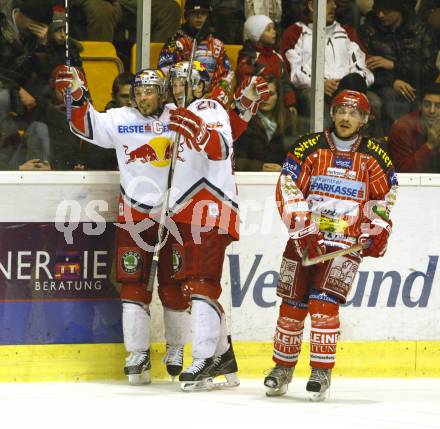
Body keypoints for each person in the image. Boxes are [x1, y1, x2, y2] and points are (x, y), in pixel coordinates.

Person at [263, 90, 398, 401]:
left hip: (345, 244)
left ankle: (321, 371)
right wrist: (301, 225)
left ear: (365, 119)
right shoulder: (309, 146)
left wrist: (377, 228)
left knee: (324, 306)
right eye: (341, 111)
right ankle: (282, 369)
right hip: (304, 241)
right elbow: (287, 184)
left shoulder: (376, 155)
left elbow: (384, 196)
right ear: (333, 113)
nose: (346, 117)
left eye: (354, 113)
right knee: (291, 307)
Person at [53, 65, 177, 384]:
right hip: (134, 216)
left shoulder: (180, 116)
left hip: (176, 215)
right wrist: (78, 94)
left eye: (148, 91)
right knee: (134, 285)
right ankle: (137, 352)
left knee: (175, 285)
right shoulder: (122, 119)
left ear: (163, 92)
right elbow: (85, 125)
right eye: (137, 92)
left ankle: (176, 348)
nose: (141, 97)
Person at [161, 60, 240, 392]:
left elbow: (220, 147)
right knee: (189, 286)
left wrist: (196, 127)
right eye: (175, 80)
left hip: (210, 204)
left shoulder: (208, 107)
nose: (179, 85)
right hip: (184, 210)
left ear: (200, 85)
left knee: (202, 283)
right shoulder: (173, 112)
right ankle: (223, 357)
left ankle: (205, 355)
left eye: (186, 80)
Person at [280, 0, 374, 133]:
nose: (335, 6)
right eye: (328, 2)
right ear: (312, 5)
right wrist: (319, 84)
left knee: (374, 102)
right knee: (312, 100)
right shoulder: (294, 33)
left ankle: (366, 150)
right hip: (312, 88)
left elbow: (363, 67)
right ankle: (322, 148)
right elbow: (293, 72)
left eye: (335, 2)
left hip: (349, 87)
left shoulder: (348, 32)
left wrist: (351, 85)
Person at [359, 0, 438, 132]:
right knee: (391, 95)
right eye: (377, 10)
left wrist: (395, 65)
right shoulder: (369, 29)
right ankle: (398, 138)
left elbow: (429, 70)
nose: (380, 15)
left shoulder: (421, 29)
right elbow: (363, 70)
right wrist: (393, 81)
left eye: (387, 11)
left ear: (400, 10)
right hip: (385, 85)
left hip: (419, 84)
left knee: (425, 99)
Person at [158, 0, 234, 94]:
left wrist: (214, 96)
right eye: (195, 13)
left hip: (210, 100)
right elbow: (164, 70)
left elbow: (226, 75)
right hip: (180, 97)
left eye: (203, 13)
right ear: (187, 16)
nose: (199, 17)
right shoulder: (174, 41)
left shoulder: (217, 44)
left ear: (208, 16)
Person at [237, 14, 297, 114]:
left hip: (277, 108)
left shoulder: (277, 57)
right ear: (257, 35)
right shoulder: (249, 59)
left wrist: (290, 104)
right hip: (255, 109)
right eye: (268, 29)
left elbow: (285, 82)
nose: (274, 32)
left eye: (274, 28)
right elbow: (245, 86)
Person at [234, 75, 296, 171]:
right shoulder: (242, 120)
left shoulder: (289, 120)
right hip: (249, 180)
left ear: (279, 96)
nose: (265, 98)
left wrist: (285, 168)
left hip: (281, 179)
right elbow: (233, 159)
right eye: (261, 93)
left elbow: (298, 155)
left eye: (270, 94)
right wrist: (259, 167)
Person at [389, 83, 440, 172]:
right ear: (420, 106)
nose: (432, 111)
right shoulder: (402, 128)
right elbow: (403, 172)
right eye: (427, 105)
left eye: (438, 106)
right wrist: (430, 145)